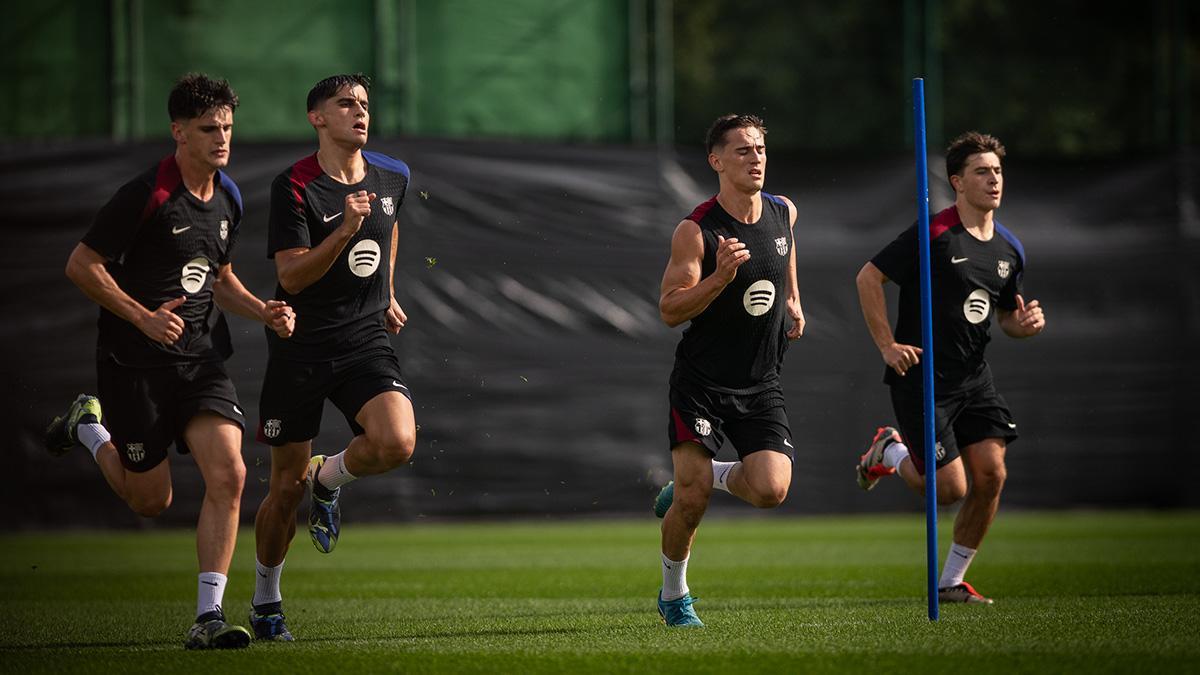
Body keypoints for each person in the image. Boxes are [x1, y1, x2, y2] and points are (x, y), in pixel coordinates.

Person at [44, 73, 296, 649]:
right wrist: (143, 317)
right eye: (209, 129)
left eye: (228, 127)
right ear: (178, 132)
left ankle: (208, 616)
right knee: (150, 500)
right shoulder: (147, 193)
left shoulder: (229, 196)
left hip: (200, 360)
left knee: (230, 473)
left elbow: (220, 277)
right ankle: (88, 427)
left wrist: (264, 310)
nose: (222, 138)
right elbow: (81, 265)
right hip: (134, 363)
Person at [248, 73, 415, 642]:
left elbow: (388, 231)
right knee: (283, 491)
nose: (359, 113)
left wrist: (387, 290)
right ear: (317, 118)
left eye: (364, 104)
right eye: (346, 105)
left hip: (363, 339)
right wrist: (344, 229)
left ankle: (332, 477)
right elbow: (290, 274)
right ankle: (266, 600)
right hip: (301, 346)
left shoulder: (393, 174)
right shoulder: (293, 185)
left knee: (397, 442)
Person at [854, 131, 1046, 604]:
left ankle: (951, 581)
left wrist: (1020, 325)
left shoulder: (1009, 249)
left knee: (992, 475)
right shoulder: (934, 234)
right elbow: (869, 276)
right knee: (948, 489)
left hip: (974, 378)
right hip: (922, 377)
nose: (993, 179)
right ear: (957, 182)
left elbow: (1002, 316)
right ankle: (890, 452)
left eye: (997, 171)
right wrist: (887, 344)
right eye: (982, 172)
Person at [650, 114, 805, 627]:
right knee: (691, 502)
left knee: (771, 490)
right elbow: (671, 309)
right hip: (701, 384)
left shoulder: (784, 211)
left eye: (760, 148)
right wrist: (720, 277)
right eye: (742, 151)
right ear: (716, 162)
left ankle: (701, 475)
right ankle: (675, 597)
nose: (755, 158)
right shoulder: (696, 230)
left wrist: (794, 302)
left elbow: (784, 254)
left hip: (761, 383)